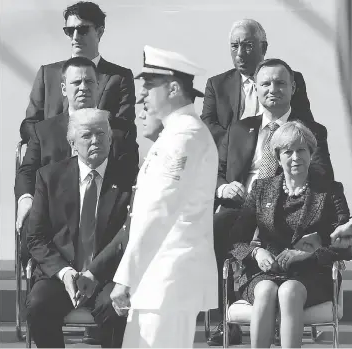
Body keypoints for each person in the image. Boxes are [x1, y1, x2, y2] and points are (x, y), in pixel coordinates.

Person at [207, 58, 333, 346]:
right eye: (265, 83)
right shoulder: (239, 128)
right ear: (256, 88)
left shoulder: (311, 131)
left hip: (289, 206)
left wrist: (284, 184)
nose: (272, 89)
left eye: (280, 83)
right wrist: (225, 187)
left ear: (293, 88)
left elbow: (322, 180)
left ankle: (278, 321)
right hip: (242, 204)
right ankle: (225, 319)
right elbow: (218, 170)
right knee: (218, 226)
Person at [110, 46, 218, 348]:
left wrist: (126, 276)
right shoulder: (175, 134)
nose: (142, 95)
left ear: (172, 88)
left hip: (168, 277)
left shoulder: (185, 136)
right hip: (157, 278)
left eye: (148, 86)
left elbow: (161, 209)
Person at [228, 121, 352, 348]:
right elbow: (235, 240)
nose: (296, 157)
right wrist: (257, 252)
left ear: (311, 153)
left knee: (289, 291)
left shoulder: (330, 190)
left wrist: (309, 255)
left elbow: (345, 245)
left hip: (312, 272)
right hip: (264, 271)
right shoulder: (261, 188)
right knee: (266, 290)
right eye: (288, 151)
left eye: (301, 150)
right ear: (278, 158)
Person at [15, 57, 138, 268]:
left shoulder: (119, 131)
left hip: (103, 226)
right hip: (53, 224)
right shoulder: (44, 131)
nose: (83, 88)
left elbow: (129, 175)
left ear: (99, 87)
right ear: (64, 89)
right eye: (76, 83)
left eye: (89, 82)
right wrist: (25, 198)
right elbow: (27, 170)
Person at [26, 109, 132, 348]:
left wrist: (94, 273)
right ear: (72, 143)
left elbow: (129, 234)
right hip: (63, 274)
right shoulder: (49, 177)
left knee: (115, 307)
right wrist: (65, 273)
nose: (95, 140)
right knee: (37, 304)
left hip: (108, 276)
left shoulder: (129, 179)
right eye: (87, 135)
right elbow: (35, 238)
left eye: (101, 134)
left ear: (110, 138)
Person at [20, 1, 137, 153]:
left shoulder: (119, 77)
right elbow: (29, 124)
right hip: (51, 163)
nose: (75, 37)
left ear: (100, 32)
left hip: (99, 162)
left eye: (82, 30)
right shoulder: (47, 74)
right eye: (69, 30)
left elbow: (124, 127)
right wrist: (55, 143)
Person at [201, 19, 313, 147]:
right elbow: (207, 124)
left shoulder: (289, 79)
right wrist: (236, 145)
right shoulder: (217, 84)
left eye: (248, 45)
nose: (240, 54)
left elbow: (305, 123)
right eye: (234, 46)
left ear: (263, 47)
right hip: (233, 157)